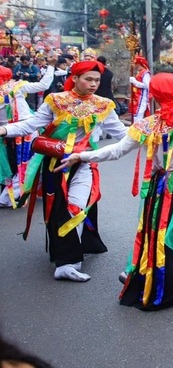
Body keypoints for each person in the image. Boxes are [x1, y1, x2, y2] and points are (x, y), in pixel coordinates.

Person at [55, 73, 173, 309]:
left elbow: (116, 150)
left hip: (159, 186)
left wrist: (82, 155)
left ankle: (149, 272)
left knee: (159, 232)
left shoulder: (147, 124)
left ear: (156, 96)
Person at [0, 60, 128, 282]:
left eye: (97, 80)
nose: (93, 84)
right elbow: (30, 125)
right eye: (88, 79)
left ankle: (69, 260)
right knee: (57, 210)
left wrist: (152, 141)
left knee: (76, 207)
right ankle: (67, 261)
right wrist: (4, 129)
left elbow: (124, 135)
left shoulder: (103, 105)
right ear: (75, 78)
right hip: (55, 164)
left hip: (84, 163)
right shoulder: (56, 101)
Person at [0, 57, 56, 208]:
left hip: (7, 135)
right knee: (27, 164)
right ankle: (9, 197)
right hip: (26, 130)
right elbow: (44, 84)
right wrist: (50, 66)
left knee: (15, 166)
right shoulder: (16, 87)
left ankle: (14, 193)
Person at [129, 56, 151, 122]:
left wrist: (135, 82)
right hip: (136, 96)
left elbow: (146, 85)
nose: (135, 66)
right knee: (135, 114)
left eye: (136, 64)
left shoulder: (145, 73)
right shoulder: (139, 72)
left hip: (142, 97)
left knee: (138, 115)